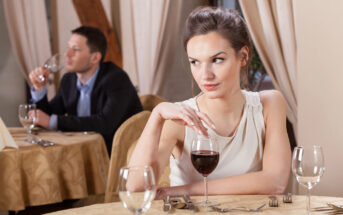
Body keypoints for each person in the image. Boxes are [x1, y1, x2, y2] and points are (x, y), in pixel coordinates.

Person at [128, 7, 291, 198]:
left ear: (243, 56)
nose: (205, 75)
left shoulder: (270, 105)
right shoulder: (180, 119)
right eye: (195, 62)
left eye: (217, 60)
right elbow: (136, 188)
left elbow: (275, 182)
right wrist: (157, 115)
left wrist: (186, 190)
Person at [29, 26, 142, 155]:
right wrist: (39, 88)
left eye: (75, 49)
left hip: (116, 156)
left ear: (95, 58)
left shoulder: (116, 79)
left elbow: (105, 123)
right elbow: (46, 116)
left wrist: (53, 121)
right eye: (68, 48)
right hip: (81, 151)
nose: (67, 54)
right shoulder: (68, 80)